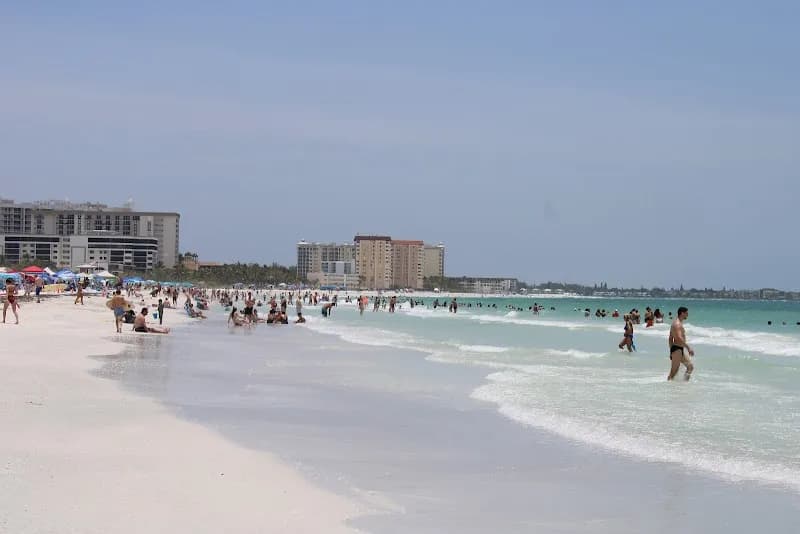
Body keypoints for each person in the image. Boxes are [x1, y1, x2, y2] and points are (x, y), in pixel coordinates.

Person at [668, 306, 695, 381]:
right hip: (677, 349)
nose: (687, 315)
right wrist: (688, 348)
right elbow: (679, 338)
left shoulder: (677, 323)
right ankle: (667, 388)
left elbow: (670, 338)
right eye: (686, 313)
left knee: (690, 367)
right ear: (682, 313)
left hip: (678, 349)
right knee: (673, 372)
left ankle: (684, 384)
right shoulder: (677, 324)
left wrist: (671, 351)